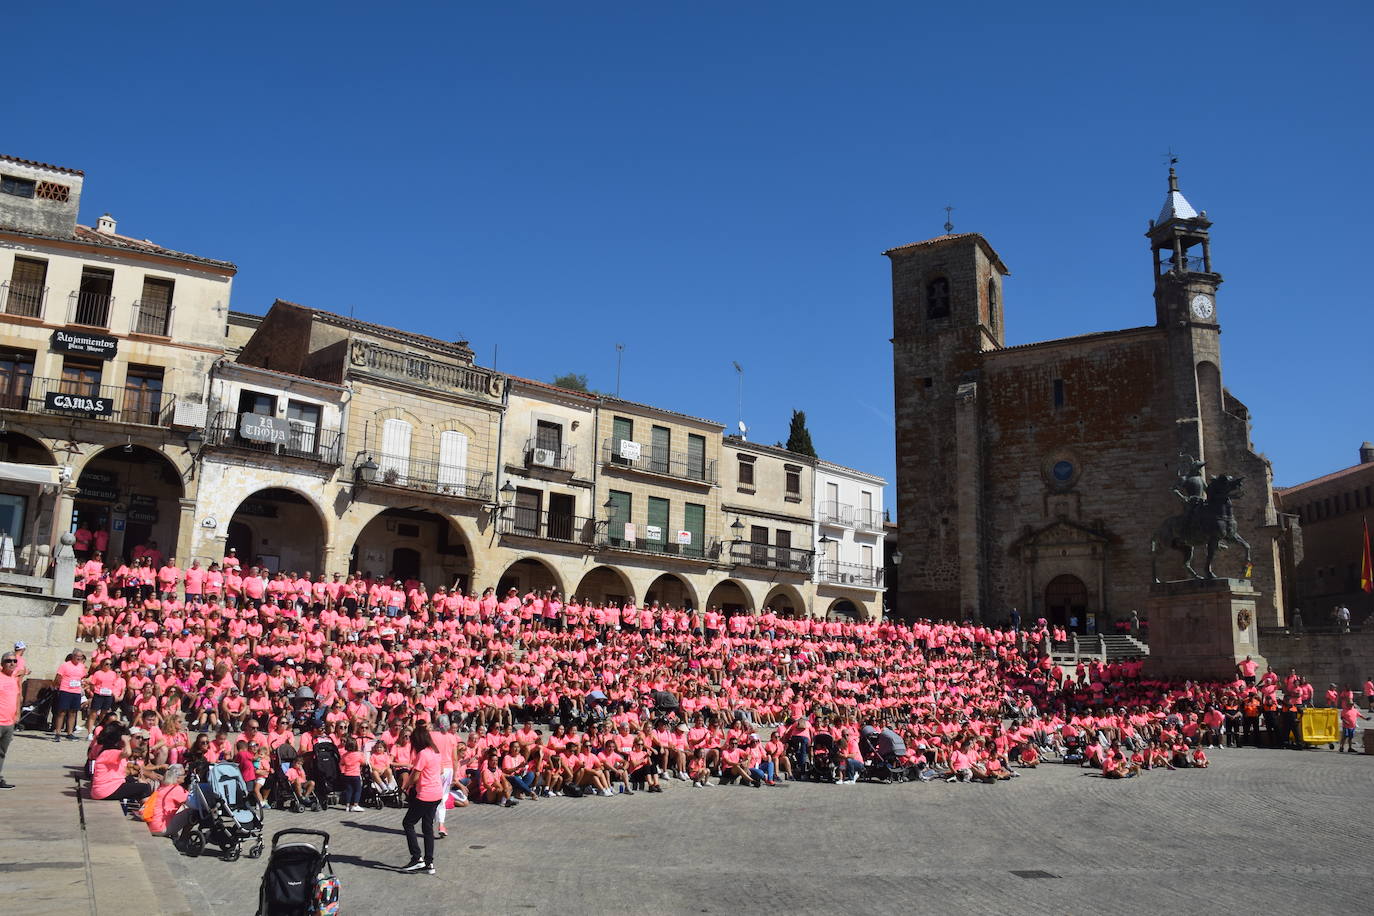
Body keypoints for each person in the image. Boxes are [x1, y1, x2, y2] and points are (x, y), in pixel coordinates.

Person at [398, 723, 442, 875]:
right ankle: (429, 862)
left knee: (408, 823)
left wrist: (405, 786)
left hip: (425, 795)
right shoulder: (436, 752)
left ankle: (417, 858)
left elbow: (415, 776)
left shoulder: (423, 754)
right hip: (436, 793)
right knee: (427, 827)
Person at [0, 648, 27, 789]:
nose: (12, 663)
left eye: (14, 661)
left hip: (9, 722)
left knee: (2, 752)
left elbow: (17, 697)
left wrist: (17, 714)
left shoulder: (14, 679)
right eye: (8, 661)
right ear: (2, 663)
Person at [54, 650, 88, 741]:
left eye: (81, 656)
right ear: (73, 656)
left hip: (76, 691)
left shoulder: (82, 666)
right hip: (65, 690)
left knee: (73, 712)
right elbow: (58, 677)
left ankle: (70, 733)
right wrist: (58, 687)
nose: (79, 658)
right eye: (77, 656)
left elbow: (82, 677)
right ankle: (58, 733)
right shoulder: (65, 665)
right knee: (62, 712)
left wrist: (82, 683)